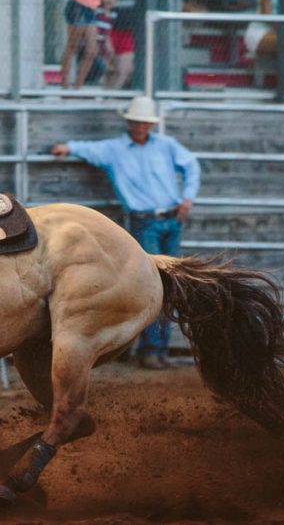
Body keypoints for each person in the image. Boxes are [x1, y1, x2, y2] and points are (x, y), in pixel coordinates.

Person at [50, 95, 200, 369]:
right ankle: (151, 350)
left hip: (170, 218)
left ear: (149, 124)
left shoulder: (165, 146)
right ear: (130, 122)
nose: (141, 126)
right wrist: (67, 147)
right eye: (137, 121)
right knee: (156, 282)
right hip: (145, 221)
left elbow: (192, 165)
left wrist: (187, 198)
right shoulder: (116, 149)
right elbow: (89, 148)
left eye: (144, 122)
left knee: (167, 284)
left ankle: (157, 349)